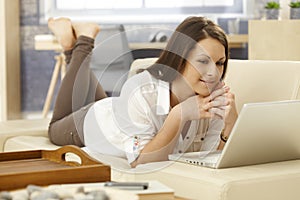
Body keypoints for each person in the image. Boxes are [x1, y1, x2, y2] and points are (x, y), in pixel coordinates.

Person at [47, 16, 238, 168]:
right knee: (54, 130)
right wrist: (178, 115)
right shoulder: (141, 88)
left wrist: (230, 125)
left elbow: (210, 159)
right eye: (203, 61)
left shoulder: (214, 99)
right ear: (179, 59)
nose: (214, 72)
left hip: (121, 111)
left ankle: (73, 44)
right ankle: (83, 40)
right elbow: (141, 162)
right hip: (94, 120)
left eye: (220, 63)